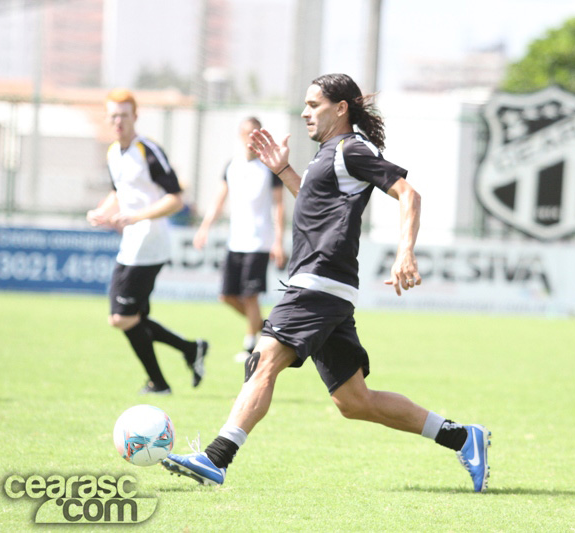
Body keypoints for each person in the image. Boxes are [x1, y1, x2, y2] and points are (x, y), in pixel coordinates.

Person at [161, 73, 491, 492]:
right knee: (354, 402)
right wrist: (282, 170)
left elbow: (409, 194)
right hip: (323, 285)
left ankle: (215, 458)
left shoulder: (352, 149)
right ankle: (463, 438)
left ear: (341, 108)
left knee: (263, 361)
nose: (304, 112)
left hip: (318, 281)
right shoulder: (328, 154)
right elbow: (318, 205)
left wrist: (404, 251)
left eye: (313, 104)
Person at [87, 88, 208, 395]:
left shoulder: (148, 151)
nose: (118, 122)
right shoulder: (114, 152)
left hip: (149, 245)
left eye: (124, 116)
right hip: (131, 244)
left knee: (122, 318)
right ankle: (180, 360)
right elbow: (121, 192)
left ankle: (167, 374)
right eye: (113, 116)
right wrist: (102, 212)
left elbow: (175, 200)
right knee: (131, 318)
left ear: (135, 117)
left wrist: (138, 217)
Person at [193, 117, 286, 362]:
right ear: (239, 135)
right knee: (226, 296)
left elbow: (279, 205)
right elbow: (218, 200)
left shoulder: (269, 167)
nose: (249, 138)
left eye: (254, 133)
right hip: (236, 240)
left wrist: (278, 241)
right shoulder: (231, 165)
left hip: (259, 241)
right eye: (246, 133)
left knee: (250, 295)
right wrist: (204, 228)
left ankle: (249, 347)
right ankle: (267, 329)